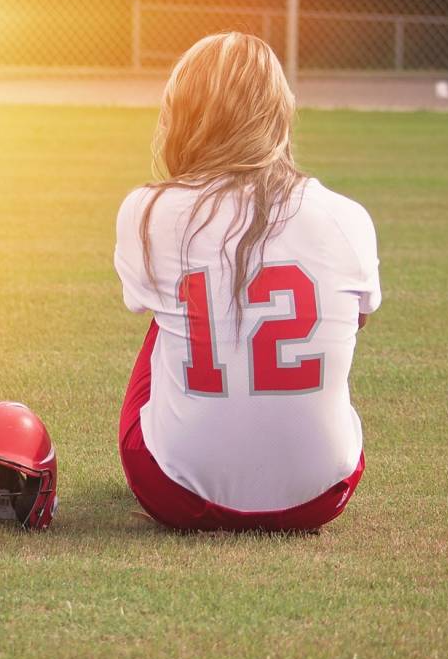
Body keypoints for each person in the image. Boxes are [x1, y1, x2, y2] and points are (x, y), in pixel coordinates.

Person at [114, 32, 381, 532]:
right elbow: (356, 321)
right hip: (321, 496)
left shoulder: (147, 210)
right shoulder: (349, 216)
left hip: (175, 493)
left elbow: (150, 303)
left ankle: (207, 443)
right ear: (280, 112)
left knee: (168, 317)